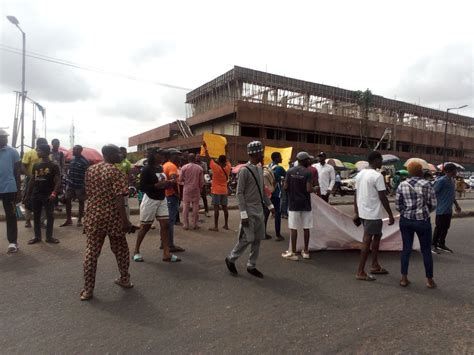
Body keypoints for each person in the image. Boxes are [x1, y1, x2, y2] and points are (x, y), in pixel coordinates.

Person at [80, 145, 133, 301]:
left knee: (91, 252)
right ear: (109, 154)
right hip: (113, 217)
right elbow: (119, 199)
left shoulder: (90, 170)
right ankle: (125, 279)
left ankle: (88, 290)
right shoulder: (116, 172)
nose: (120, 155)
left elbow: (88, 192)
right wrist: (126, 221)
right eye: (117, 153)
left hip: (94, 215)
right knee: (121, 249)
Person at [225, 141, 274, 278]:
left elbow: (262, 191)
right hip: (248, 210)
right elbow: (239, 193)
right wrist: (243, 214)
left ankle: (251, 265)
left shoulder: (259, 169)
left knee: (258, 239)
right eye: (261, 152)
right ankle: (231, 258)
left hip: (259, 209)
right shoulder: (244, 171)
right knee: (247, 238)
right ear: (255, 153)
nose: (262, 154)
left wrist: (270, 206)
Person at [133, 149, 180, 263]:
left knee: (165, 225)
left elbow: (163, 183)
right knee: (145, 227)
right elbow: (142, 187)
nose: (164, 157)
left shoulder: (160, 168)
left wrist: (169, 183)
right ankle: (136, 251)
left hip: (162, 199)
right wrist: (156, 185)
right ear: (154, 155)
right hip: (150, 199)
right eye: (161, 155)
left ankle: (166, 253)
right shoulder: (146, 169)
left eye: (164, 155)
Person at [353, 151, 395, 281]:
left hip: (364, 213)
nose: (381, 163)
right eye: (381, 160)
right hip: (373, 214)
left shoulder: (360, 175)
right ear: (375, 160)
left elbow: (356, 194)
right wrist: (390, 214)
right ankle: (360, 271)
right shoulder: (377, 176)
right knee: (367, 240)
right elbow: (383, 197)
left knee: (377, 237)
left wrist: (356, 212)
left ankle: (375, 265)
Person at [396, 161, 437, 288]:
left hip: (406, 221)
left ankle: (403, 278)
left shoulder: (402, 185)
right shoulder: (428, 184)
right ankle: (429, 280)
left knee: (406, 249)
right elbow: (434, 204)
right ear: (421, 171)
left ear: (408, 172)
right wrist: (425, 212)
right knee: (426, 251)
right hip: (423, 221)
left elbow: (398, 206)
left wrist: (406, 212)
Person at [282, 152, 317, 261]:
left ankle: (292, 252)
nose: (310, 161)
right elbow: (308, 189)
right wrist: (315, 189)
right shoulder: (308, 172)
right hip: (305, 204)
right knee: (306, 228)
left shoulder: (289, 171)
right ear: (303, 160)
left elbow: (285, 186)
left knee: (294, 228)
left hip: (293, 204)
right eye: (308, 160)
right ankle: (306, 251)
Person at [24, 144, 61, 244]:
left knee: (50, 216)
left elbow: (58, 181)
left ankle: (49, 237)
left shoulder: (53, 165)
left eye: (39, 150)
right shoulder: (36, 165)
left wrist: (54, 193)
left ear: (45, 152)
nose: (37, 152)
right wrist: (28, 194)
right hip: (36, 194)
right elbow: (32, 180)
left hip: (48, 195)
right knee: (36, 216)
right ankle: (37, 237)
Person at [432, 163, 461, 253]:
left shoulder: (452, 180)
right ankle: (433, 245)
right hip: (441, 208)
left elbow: (452, 195)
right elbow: (433, 192)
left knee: (446, 227)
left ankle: (441, 243)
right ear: (449, 171)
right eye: (455, 170)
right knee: (439, 227)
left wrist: (456, 205)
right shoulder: (441, 181)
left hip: (448, 209)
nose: (456, 172)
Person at [0, 129, 21, 253]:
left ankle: (13, 242)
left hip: (9, 188)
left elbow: (17, 172)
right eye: (3, 137)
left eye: (6, 137)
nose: (5, 139)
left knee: (11, 215)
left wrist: (19, 190)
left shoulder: (13, 152)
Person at [203, 142, 231, 231]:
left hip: (216, 190)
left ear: (219, 160)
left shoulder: (215, 167)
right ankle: (226, 224)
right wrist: (226, 150)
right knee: (225, 208)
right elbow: (229, 158)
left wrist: (205, 147)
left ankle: (216, 226)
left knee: (216, 209)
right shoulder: (228, 167)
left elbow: (208, 158)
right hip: (224, 190)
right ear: (225, 161)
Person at [21, 137, 48, 228]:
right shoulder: (29, 153)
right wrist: (30, 176)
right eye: (43, 145)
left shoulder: (48, 155)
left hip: (44, 181)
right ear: (38, 145)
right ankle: (28, 220)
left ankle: (41, 221)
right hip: (30, 179)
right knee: (27, 200)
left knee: (43, 202)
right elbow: (23, 166)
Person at [163, 149, 185, 253]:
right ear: (172, 156)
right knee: (170, 221)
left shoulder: (166, 164)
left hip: (167, 196)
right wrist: (177, 193)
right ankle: (170, 245)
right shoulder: (172, 166)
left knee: (166, 220)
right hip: (171, 196)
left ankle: (164, 243)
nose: (180, 157)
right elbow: (173, 180)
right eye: (178, 155)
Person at [61, 145, 89, 227]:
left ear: (80, 151)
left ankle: (80, 220)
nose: (73, 151)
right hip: (71, 185)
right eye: (73, 149)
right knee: (67, 200)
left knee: (81, 202)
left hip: (80, 185)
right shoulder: (72, 160)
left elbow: (87, 174)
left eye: (75, 150)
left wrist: (86, 185)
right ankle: (68, 219)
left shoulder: (84, 161)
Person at [264, 152, 286, 241]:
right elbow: (287, 175)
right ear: (276, 158)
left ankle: (263, 233)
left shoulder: (267, 167)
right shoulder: (279, 168)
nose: (281, 159)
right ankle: (278, 235)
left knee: (266, 212)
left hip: (267, 193)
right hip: (276, 193)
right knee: (277, 213)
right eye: (280, 157)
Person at [179, 153, 204, 230]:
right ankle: (195, 224)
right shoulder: (199, 168)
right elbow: (201, 182)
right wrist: (200, 188)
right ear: (195, 159)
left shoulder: (184, 167)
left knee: (185, 207)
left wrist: (185, 180)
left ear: (188, 159)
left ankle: (186, 224)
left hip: (186, 189)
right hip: (196, 189)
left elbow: (180, 179)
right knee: (196, 207)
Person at [115, 147, 132, 218]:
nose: (125, 153)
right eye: (123, 152)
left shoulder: (127, 163)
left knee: (125, 204)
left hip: (123, 187)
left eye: (125, 152)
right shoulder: (114, 162)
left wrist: (127, 186)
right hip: (114, 187)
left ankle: (127, 220)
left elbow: (129, 175)